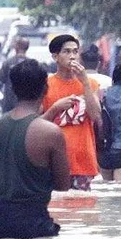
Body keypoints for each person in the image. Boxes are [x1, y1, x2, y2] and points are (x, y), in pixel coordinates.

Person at [0, 59, 71, 239]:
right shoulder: (51, 132)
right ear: (45, 89)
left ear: (14, 89)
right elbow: (63, 185)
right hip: (33, 223)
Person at [41, 34, 101, 191]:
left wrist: (85, 83)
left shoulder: (90, 84)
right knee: (55, 211)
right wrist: (55, 108)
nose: (72, 56)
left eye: (75, 51)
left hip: (82, 161)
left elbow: (95, 116)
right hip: (53, 161)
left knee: (82, 212)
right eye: (66, 52)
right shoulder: (45, 86)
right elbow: (35, 124)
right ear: (55, 56)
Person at [0, 38, 30, 113]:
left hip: (9, 101)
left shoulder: (7, 63)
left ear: (16, 47)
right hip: (26, 103)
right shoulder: (32, 64)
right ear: (27, 48)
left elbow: (1, 79)